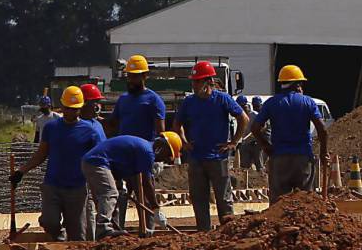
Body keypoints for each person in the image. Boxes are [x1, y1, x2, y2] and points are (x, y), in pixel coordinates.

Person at [11, 86, 105, 241]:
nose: (71, 112)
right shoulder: (51, 128)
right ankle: (60, 237)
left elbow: (99, 159)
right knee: (49, 221)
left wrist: (100, 185)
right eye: (68, 108)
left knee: (77, 236)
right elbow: (41, 154)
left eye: (74, 109)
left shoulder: (90, 131)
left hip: (77, 188)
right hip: (52, 186)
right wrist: (21, 171)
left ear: (80, 108)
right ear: (62, 106)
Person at [174, 61, 250, 230]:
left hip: (218, 157)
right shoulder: (189, 102)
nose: (194, 85)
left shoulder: (222, 99)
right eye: (193, 81)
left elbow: (243, 118)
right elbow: (177, 124)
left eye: (197, 81)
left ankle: (227, 231)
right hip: (196, 158)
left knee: (223, 198)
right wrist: (184, 142)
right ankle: (203, 232)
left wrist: (234, 142)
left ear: (208, 81)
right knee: (199, 198)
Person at [250, 65, 328, 203]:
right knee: (305, 202)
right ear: (297, 84)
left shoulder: (271, 103)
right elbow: (322, 129)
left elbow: (255, 128)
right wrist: (323, 153)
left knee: (278, 203)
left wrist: (266, 146)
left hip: (279, 158)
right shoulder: (307, 102)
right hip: (303, 158)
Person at [81, 132, 180, 238]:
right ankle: (103, 229)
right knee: (110, 193)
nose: (164, 160)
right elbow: (147, 183)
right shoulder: (147, 152)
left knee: (109, 196)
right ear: (162, 147)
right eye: (167, 155)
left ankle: (108, 228)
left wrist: (124, 189)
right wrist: (156, 209)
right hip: (97, 162)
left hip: (93, 161)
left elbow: (133, 175)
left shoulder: (142, 149)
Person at [106, 55, 166, 227]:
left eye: (135, 76)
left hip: (143, 154)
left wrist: (156, 153)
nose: (131, 80)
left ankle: (148, 229)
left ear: (144, 76)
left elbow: (161, 132)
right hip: (124, 155)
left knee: (145, 194)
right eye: (129, 76)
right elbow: (112, 124)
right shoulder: (123, 99)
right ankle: (117, 228)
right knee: (120, 194)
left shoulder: (153, 100)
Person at [78, 81, 107, 239]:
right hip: (86, 176)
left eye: (98, 102)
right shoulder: (80, 126)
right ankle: (89, 241)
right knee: (87, 208)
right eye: (94, 102)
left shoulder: (98, 124)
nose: (98, 106)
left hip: (100, 172)